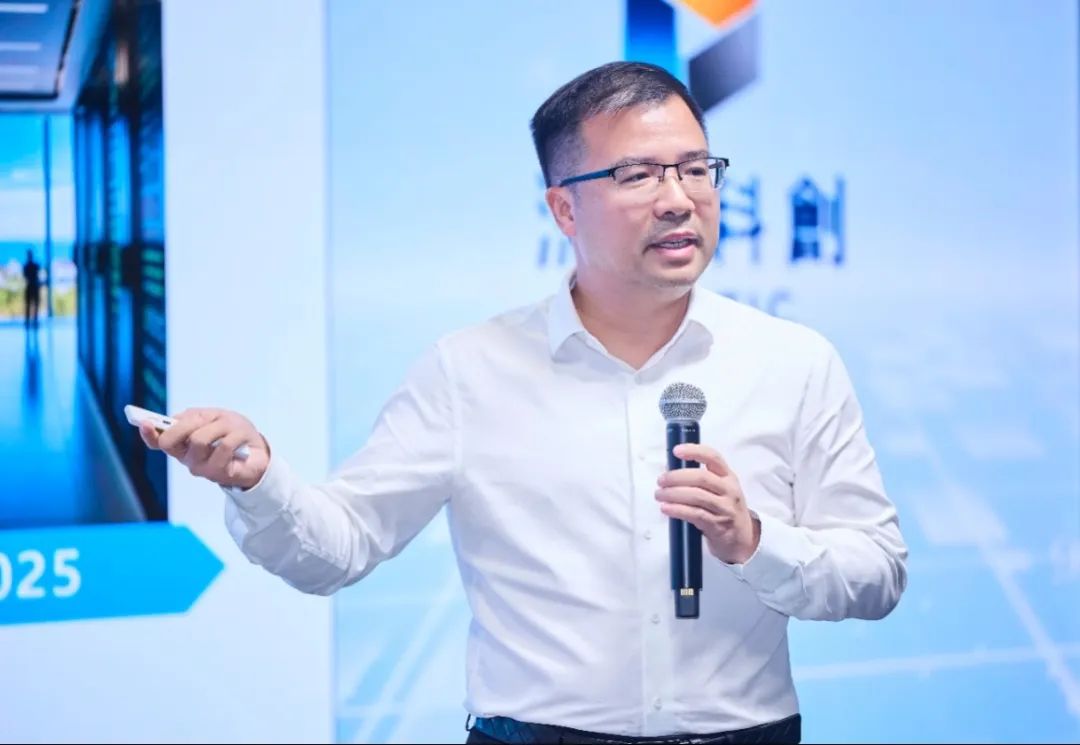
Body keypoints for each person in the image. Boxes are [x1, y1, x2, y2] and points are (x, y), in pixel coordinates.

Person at [140, 61, 907, 745]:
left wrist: (754, 540)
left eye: (696, 169)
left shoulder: (792, 361)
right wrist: (257, 478)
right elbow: (337, 550)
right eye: (638, 175)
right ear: (563, 209)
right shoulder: (470, 370)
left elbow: (877, 572)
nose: (679, 199)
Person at [22, 249, 42, 328]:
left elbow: (25, 276)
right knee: (31, 304)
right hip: (33, 287)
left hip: (31, 287)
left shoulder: (27, 266)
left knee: (32, 304)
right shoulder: (33, 266)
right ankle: (31, 321)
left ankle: (31, 321)